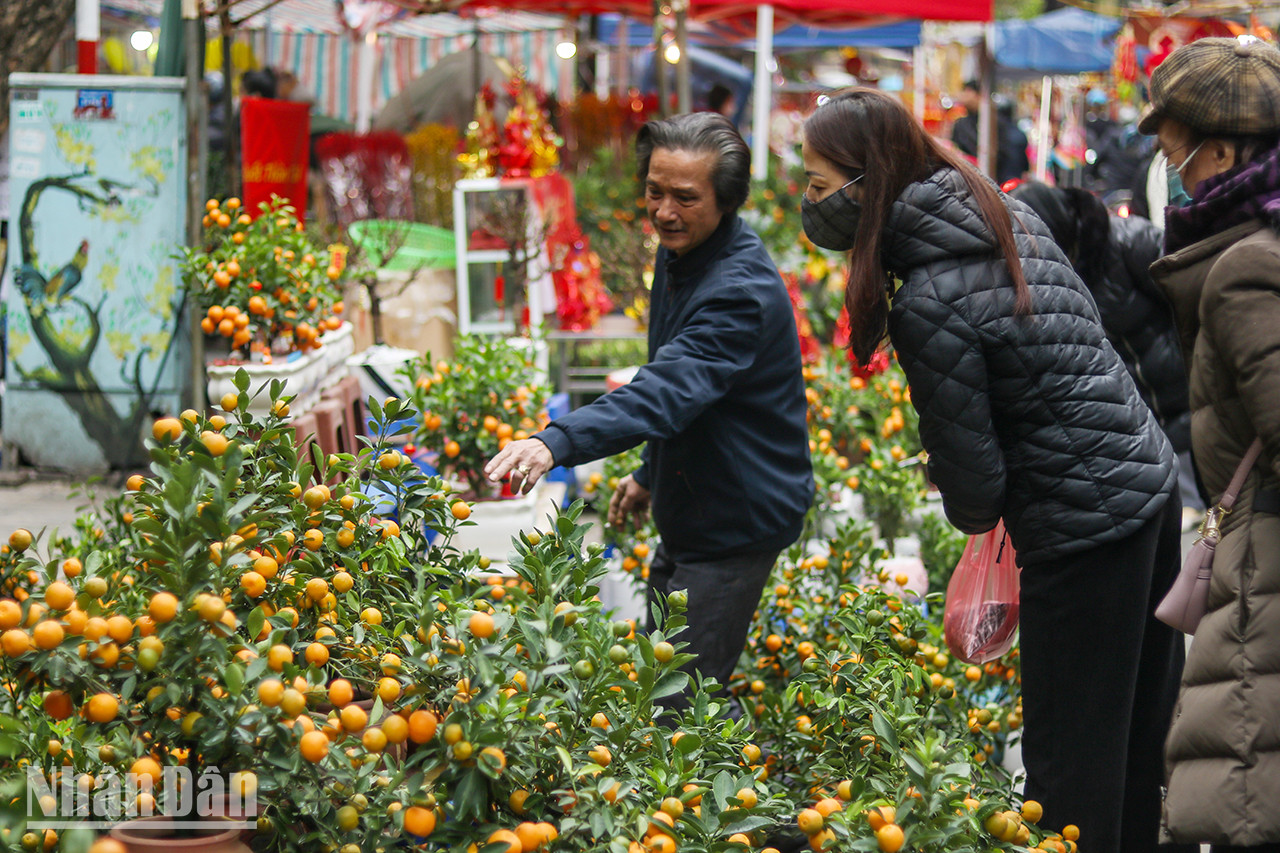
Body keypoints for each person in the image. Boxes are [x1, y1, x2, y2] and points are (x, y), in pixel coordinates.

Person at [800, 88, 1188, 853]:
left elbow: (977, 494)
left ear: (866, 184)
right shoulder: (1002, 215)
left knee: (1068, 774)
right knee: (1137, 751)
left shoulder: (930, 298)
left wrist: (948, 462)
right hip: (1148, 488)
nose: (810, 206)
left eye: (817, 188)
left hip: (1083, 530)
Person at [484, 112, 814, 712]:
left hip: (735, 520)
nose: (664, 211)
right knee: (659, 676)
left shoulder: (737, 291)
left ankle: (718, 795)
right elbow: (678, 384)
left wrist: (555, 441)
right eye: (655, 191)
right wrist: (649, 475)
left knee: (678, 699)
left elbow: (665, 389)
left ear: (726, 200)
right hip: (695, 501)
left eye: (685, 197)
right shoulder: (682, 254)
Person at [1139, 36, 1280, 852]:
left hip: (1265, 558)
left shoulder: (1243, 268)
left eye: (1175, 154)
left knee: (1240, 790)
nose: (1175, 176)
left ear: (1222, 150)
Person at [1008, 181, 1204, 529]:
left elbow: (1190, 302)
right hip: (1148, 415)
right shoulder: (1058, 271)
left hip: (1191, 389)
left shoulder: (1130, 241)